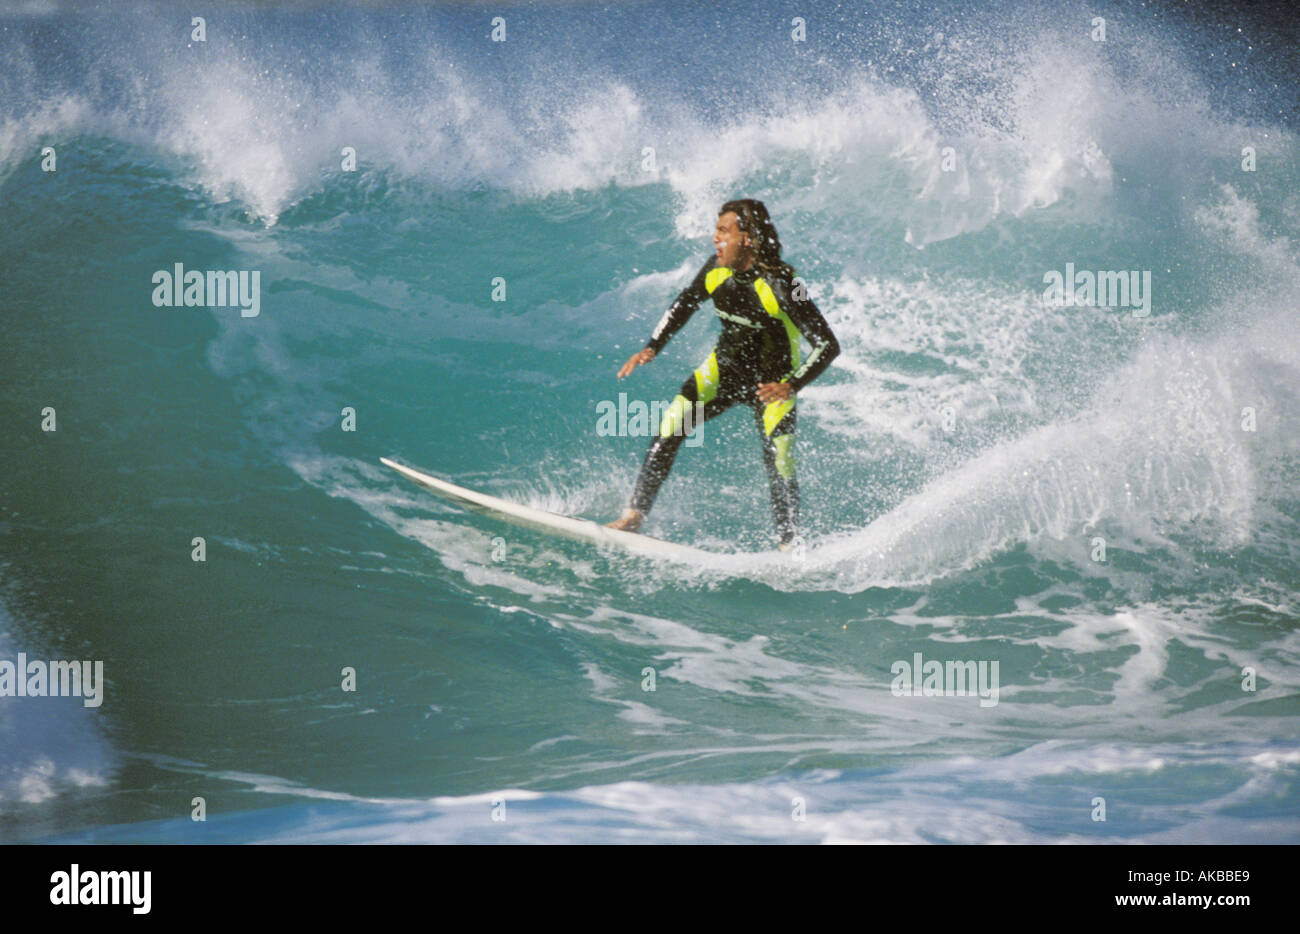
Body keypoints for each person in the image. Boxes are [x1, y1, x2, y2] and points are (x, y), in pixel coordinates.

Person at [608, 199, 839, 548]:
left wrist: (791, 385)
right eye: (715, 230)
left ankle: (789, 545)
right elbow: (684, 303)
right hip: (724, 371)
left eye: (723, 231)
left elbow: (827, 344)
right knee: (671, 426)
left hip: (771, 386)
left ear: (746, 238)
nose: (714, 238)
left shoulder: (787, 282)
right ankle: (633, 518)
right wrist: (652, 346)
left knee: (781, 460)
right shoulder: (714, 270)